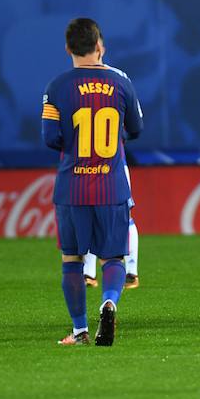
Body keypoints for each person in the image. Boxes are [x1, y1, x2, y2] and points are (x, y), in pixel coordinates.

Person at [42, 18, 143, 346]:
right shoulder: (121, 83)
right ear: (99, 46)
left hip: (72, 186)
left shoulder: (57, 87)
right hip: (111, 185)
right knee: (113, 258)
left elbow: (49, 138)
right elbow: (137, 128)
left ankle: (80, 330)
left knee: (72, 260)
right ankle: (109, 301)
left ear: (68, 48)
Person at [84, 160, 139, 289]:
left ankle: (131, 272)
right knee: (87, 215)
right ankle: (89, 274)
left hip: (114, 166)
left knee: (125, 215)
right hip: (85, 166)